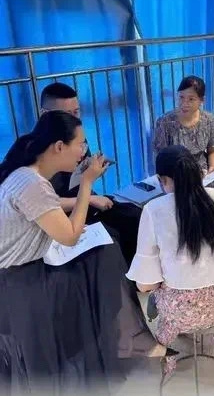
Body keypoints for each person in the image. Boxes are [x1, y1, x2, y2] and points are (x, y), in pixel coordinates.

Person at [0, 112, 162, 394]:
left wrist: (86, 194)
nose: (83, 151)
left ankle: (118, 340)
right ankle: (112, 344)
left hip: (23, 273)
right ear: (58, 146)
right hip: (17, 282)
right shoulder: (33, 184)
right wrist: (87, 182)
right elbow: (70, 236)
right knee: (99, 270)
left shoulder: (26, 174)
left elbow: (50, 205)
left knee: (103, 256)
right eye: (81, 144)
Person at [127, 145, 214, 375]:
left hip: (181, 314)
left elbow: (145, 285)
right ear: (200, 172)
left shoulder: (153, 210)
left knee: (155, 292)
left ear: (162, 180)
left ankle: (167, 350)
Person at [39, 82, 142, 265]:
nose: (74, 121)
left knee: (136, 217)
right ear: (45, 114)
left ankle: (141, 275)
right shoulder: (34, 154)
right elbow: (42, 205)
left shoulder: (76, 136)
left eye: (76, 112)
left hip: (86, 202)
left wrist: (93, 167)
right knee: (110, 242)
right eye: (66, 115)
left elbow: (80, 175)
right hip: (61, 219)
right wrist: (90, 198)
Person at [152, 75, 214, 175]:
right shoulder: (164, 122)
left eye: (191, 99)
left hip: (202, 173)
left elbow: (212, 150)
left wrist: (212, 168)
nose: (184, 103)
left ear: (202, 100)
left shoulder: (210, 121)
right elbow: (160, 158)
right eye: (181, 97)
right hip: (175, 174)